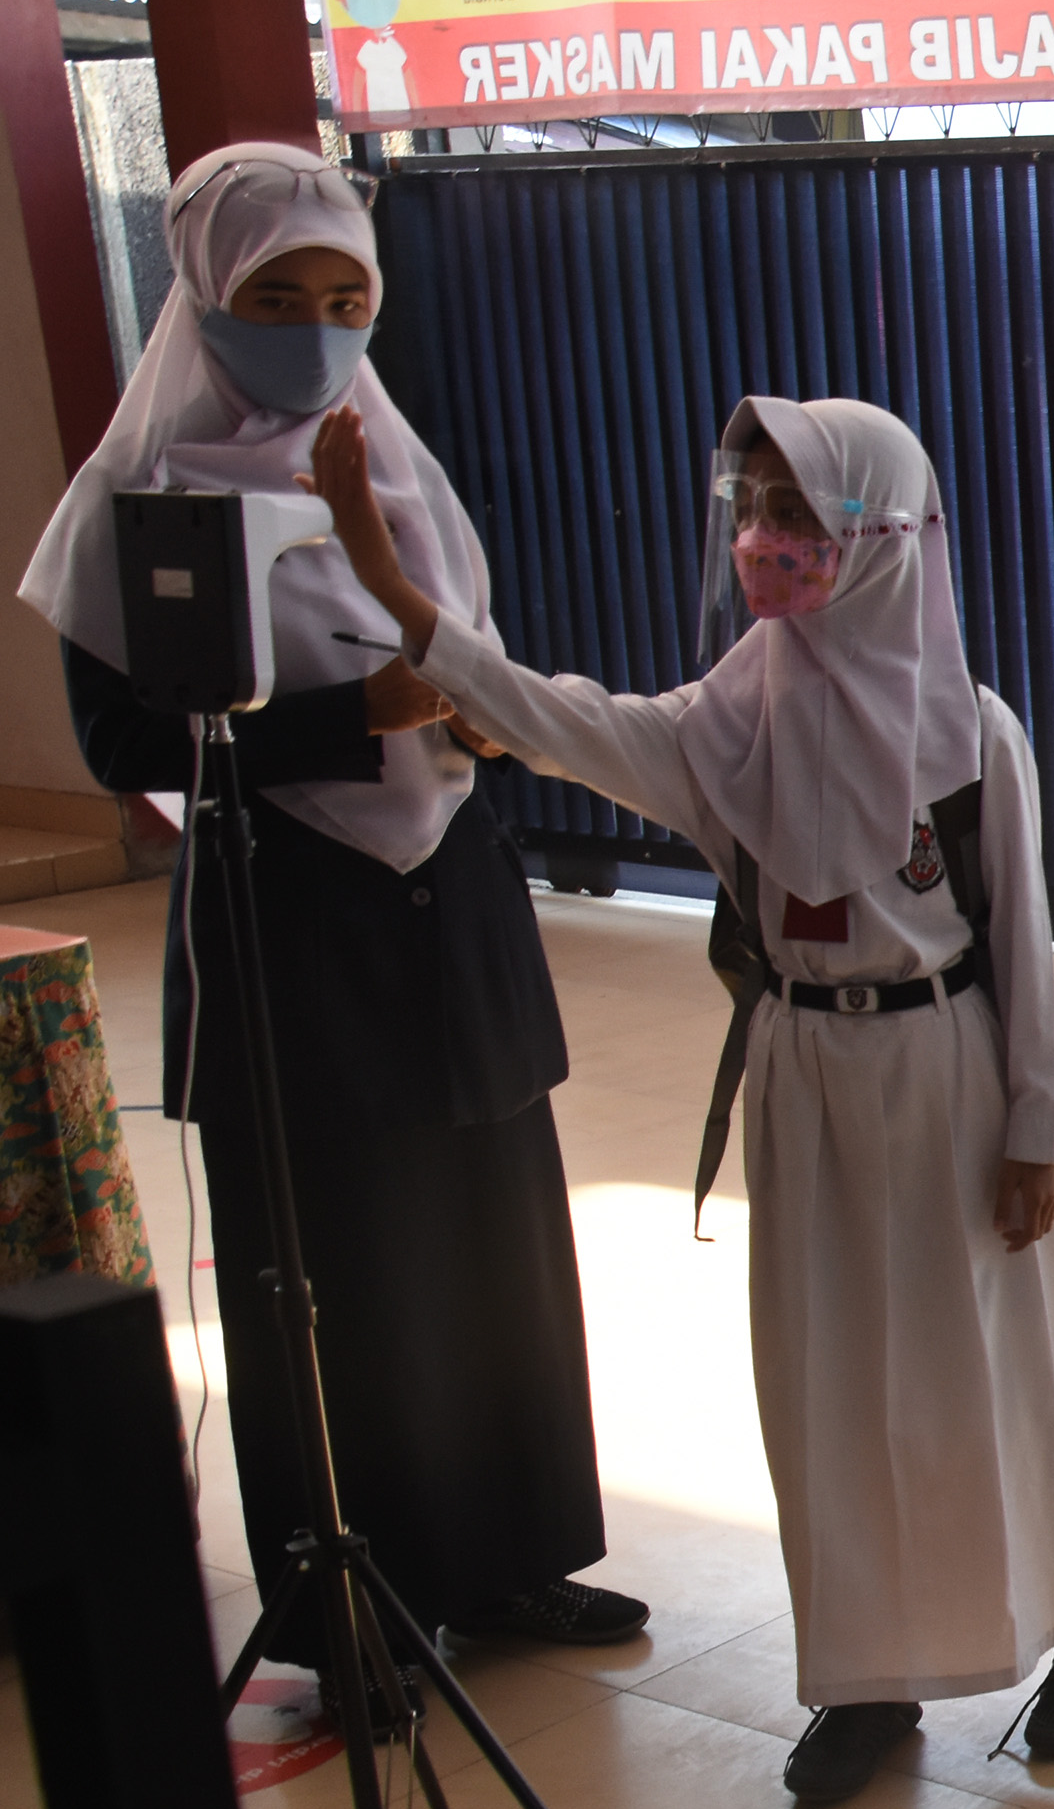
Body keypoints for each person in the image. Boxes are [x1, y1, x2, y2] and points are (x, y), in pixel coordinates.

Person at [310, 391, 1054, 1809]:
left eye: (801, 514)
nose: (767, 540)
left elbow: (1023, 950)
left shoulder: (970, 730)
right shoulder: (730, 713)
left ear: (884, 532)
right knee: (826, 1375)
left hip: (944, 1062)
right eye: (752, 510)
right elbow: (559, 722)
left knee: (1001, 1363)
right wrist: (397, 594)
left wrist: (1029, 1132)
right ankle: (864, 1670)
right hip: (804, 1069)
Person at [22, 141, 644, 1676]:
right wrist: (346, 717)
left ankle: (511, 1559)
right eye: (277, 295)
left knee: (495, 1241)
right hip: (289, 914)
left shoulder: (387, 451)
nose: (315, 327)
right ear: (207, 296)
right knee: (335, 1270)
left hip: (450, 901)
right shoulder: (138, 497)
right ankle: (357, 1607)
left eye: (346, 294)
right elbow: (125, 747)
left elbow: (460, 648)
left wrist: (472, 717)